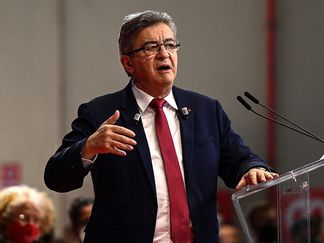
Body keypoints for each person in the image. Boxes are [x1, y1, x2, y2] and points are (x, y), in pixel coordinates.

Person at [44, 10, 277, 243]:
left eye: (169, 45)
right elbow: (55, 177)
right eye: (150, 47)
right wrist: (88, 147)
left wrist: (251, 168)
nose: (164, 54)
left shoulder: (206, 110)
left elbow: (238, 158)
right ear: (128, 63)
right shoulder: (100, 113)